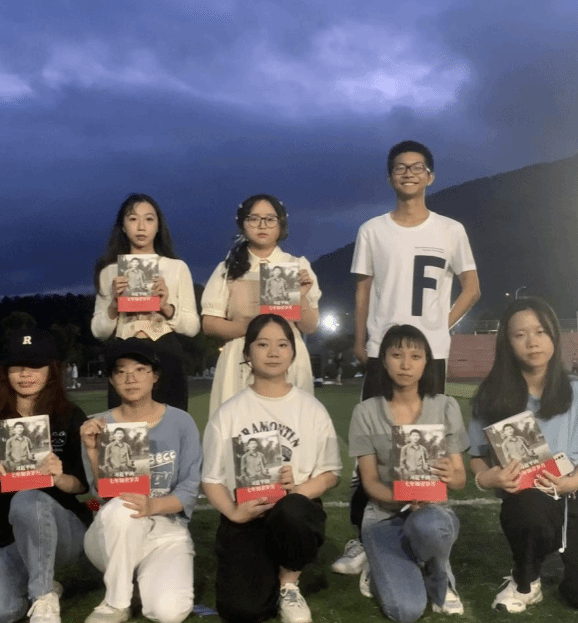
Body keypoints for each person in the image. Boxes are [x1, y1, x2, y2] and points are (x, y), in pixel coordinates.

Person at [336, 140, 481, 577]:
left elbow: (472, 287)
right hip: (383, 349)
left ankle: (424, 530)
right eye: (400, 167)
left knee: (427, 442)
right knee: (374, 444)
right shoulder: (373, 229)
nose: (409, 173)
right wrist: (361, 339)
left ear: (430, 176)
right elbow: (363, 289)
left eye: (417, 167)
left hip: (429, 354)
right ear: (390, 177)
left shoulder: (451, 230)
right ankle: (364, 535)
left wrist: (440, 325)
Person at [469, 297, 578, 615]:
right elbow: (477, 455)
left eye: (540, 331)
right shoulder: (490, 396)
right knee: (529, 509)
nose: (532, 342)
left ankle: (567, 559)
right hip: (528, 496)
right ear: (507, 342)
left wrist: (573, 481)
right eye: (520, 334)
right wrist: (487, 478)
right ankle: (526, 578)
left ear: (553, 335)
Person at [202, 314, 342, 623]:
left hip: (293, 513)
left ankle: (289, 582)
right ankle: (266, 574)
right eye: (263, 344)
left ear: (293, 352)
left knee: (292, 511)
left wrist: (297, 491)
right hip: (247, 512)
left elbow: (330, 473)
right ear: (247, 353)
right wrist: (234, 512)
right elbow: (210, 479)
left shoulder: (312, 409)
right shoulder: (228, 413)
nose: (273, 352)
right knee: (242, 610)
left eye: (282, 345)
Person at [0, 329, 91, 623]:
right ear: (5, 372)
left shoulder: (69, 415)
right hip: (11, 534)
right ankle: (46, 584)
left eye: (35, 366)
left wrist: (58, 477)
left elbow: (81, 485)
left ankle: (43, 595)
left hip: (65, 531)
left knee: (28, 499)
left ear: (51, 371)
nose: (25, 374)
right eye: (16, 367)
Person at [348, 324, 468, 620]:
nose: (405, 364)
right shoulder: (365, 412)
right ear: (383, 360)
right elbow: (370, 482)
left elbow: (460, 480)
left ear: (426, 362)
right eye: (396, 355)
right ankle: (379, 564)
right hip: (384, 515)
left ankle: (438, 575)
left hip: (431, 512)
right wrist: (404, 496)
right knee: (405, 610)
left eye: (415, 356)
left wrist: (448, 474)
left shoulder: (445, 406)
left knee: (429, 525)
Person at [80, 338, 201, 623]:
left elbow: (189, 489)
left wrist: (153, 506)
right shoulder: (99, 425)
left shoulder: (181, 422)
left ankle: (137, 576)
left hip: (165, 529)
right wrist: (92, 451)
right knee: (125, 507)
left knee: (168, 613)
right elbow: (103, 495)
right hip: (115, 530)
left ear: (154, 376)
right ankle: (116, 602)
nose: (130, 378)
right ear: (112, 380)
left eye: (140, 369)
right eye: (120, 371)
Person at [201, 194, 321, 415]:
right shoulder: (227, 268)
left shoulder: (296, 265)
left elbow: (310, 326)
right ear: (242, 224)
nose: (262, 225)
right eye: (254, 219)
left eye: (270, 219)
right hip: (240, 358)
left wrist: (300, 296)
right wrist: (252, 328)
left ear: (281, 224)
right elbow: (209, 324)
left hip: (287, 356)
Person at [92, 193, 200, 412]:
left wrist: (166, 307)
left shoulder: (176, 268)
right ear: (122, 226)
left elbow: (192, 327)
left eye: (149, 219)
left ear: (158, 226)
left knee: (170, 426)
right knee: (126, 428)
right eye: (133, 219)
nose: (141, 227)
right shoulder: (110, 272)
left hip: (166, 353)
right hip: (124, 356)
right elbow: (98, 331)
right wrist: (114, 306)